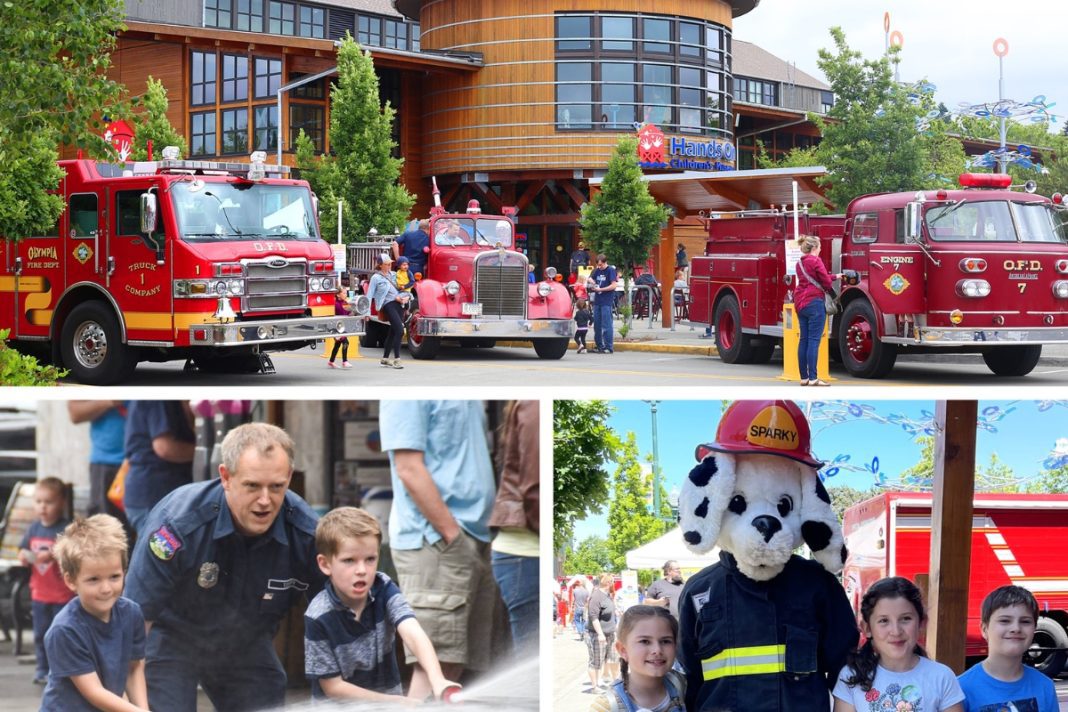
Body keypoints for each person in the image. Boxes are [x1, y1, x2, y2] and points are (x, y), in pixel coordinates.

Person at [124, 422, 325, 711]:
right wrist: (125, 695)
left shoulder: (306, 534)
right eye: (252, 486)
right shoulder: (177, 526)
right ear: (226, 477)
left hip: (245, 642)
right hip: (170, 637)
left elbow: (337, 618)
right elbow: (135, 622)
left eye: (277, 486)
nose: (265, 501)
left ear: (289, 477)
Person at [379, 400, 510, 699]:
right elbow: (408, 467)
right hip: (435, 541)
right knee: (433, 664)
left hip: (470, 537)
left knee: (453, 665)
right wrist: (452, 534)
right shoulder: (406, 394)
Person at [304, 507, 456, 702]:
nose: (361, 570)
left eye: (370, 559)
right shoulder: (317, 616)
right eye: (349, 560)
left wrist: (438, 679)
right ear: (325, 564)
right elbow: (333, 687)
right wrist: (393, 702)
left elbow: (412, 631)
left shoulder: (383, 588)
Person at [42, 514, 148, 712]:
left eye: (114, 576)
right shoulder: (65, 630)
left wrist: (143, 708)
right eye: (93, 579)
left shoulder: (132, 614)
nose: (106, 588)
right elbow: (94, 692)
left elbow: (134, 669)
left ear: (124, 571)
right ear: (71, 580)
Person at [833, 576, 965, 712]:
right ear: (867, 628)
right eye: (884, 621)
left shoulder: (942, 677)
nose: (896, 631)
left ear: (922, 623)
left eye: (905, 619)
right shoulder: (851, 677)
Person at [957, 585, 1058, 712]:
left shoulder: (1045, 686)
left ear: (1034, 628)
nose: (1016, 628)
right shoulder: (961, 688)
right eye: (1005, 621)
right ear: (984, 629)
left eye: (1025, 621)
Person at [489, 401, 540, 652]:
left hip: (524, 555)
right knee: (532, 669)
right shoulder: (533, 404)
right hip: (526, 555)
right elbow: (534, 488)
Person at [17, 476, 75, 684]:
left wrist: (51, 554)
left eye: (48, 502)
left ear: (61, 502)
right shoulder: (34, 528)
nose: (43, 507)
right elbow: (23, 549)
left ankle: (61, 669)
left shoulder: (66, 529)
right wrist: (24, 556)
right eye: (38, 502)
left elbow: (72, 554)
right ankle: (42, 668)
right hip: (39, 592)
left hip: (62, 594)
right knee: (40, 632)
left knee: (60, 632)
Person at [589, 605, 686, 712]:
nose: (657, 650)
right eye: (645, 641)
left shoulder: (681, 684)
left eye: (665, 641)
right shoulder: (606, 707)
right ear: (623, 650)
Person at [122, 400, 195, 534]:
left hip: (157, 495)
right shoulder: (158, 398)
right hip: (154, 495)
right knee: (162, 552)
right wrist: (205, 452)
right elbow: (165, 448)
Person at [67, 402, 127, 520]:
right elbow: (75, 413)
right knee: (103, 526)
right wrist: (111, 400)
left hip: (146, 461)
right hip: (107, 462)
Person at [794, 235, 840, 387]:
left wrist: (834, 276)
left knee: (804, 340)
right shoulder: (816, 260)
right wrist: (832, 280)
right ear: (814, 248)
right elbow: (825, 282)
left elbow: (814, 278)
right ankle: (813, 378)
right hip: (814, 302)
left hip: (800, 303)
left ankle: (804, 377)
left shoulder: (799, 263)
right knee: (814, 341)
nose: (820, 250)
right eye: (819, 247)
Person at [368, 252, 408, 370]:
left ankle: (385, 358)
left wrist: (407, 297)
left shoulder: (395, 275)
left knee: (393, 331)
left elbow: (406, 287)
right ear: (380, 265)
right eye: (387, 264)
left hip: (399, 304)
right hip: (387, 304)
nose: (389, 266)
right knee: (400, 330)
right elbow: (369, 295)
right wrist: (366, 313)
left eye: (390, 264)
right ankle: (397, 359)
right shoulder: (376, 278)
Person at [587, 573, 618, 693]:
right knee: (596, 660)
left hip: (611, 633)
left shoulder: (607, 595)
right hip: (597, 634)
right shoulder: (596, 596)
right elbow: (593, 617)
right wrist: (600, 634)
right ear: (608, 583)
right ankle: (595, 687)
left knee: (614, 658)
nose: (614, 584)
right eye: (613, 582)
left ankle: (616, 683)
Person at [588, 254, 618, 354]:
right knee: (597, 325)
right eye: (598, 265)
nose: (599, 267)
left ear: (605, 262)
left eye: (601, 265)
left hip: (606, 300)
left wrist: (601, 289)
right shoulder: (597, 270)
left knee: (606, 325)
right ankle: (599, 345)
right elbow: (591, 278)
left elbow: (614, 285)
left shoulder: (610, 270)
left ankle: (608, 347)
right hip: (597, 301)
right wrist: (592, 281)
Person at [328, 281, 353, 369]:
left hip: (341, 326)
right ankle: (344, 361)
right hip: (337, 327)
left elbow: (348, 313)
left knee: (337, 344)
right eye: (344, 293)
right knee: (346, 342)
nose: (346, 294)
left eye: (346, 293)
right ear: (338, 295)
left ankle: (331, 361)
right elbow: (343, 313)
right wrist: (349, 308)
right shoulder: (337, 304)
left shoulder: (344, 303)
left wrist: (351, 309)